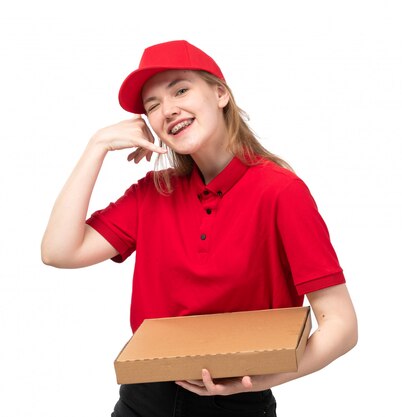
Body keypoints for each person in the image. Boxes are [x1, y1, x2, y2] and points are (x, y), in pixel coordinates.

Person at [41, 40, 358, 417]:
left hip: (238, 403)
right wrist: (97, 146)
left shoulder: (281, 192)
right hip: (143, 400)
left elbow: (341, 325)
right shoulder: (153, 192)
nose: (168, 109)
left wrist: (265, 379)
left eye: (180, 89)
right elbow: (59, 251)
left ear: (220, 93)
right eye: (153, 105)